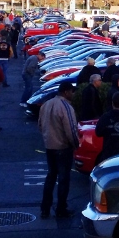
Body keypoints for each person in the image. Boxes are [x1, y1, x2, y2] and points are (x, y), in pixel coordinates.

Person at [38, 81, 80, 219]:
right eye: (72, 91)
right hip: (63, 147)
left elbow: (40, 125)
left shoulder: (46, 105)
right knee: (63, 179)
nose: (73, 94)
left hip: (49, 146)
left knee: (51, 177)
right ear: (66, 92)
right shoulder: (66, 107)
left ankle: (45, 208)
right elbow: (71, 130)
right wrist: (75, 144)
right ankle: (61, 208)